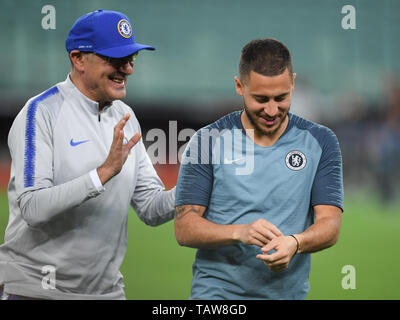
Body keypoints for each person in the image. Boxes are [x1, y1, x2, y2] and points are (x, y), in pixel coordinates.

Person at [0, 9, 175, 300]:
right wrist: (103, 173)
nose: (128, 69)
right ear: (78, 58)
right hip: (34, 291)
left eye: (131, 59)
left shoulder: (126, 116)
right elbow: (31, 207)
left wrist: (200, 183)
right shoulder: (41, 112)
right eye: (115, 59)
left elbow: (151, 208)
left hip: (106, 294)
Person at [174, 38, 344, 299]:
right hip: (217, 296)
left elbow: (330, 224)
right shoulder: (207, 140)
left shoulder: (321, 141)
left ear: (293, 83)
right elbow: (184, 228)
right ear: (239, 86)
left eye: (282, 97)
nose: (272, 110)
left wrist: (295, 243)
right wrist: (239, 232)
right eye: (261, 99)